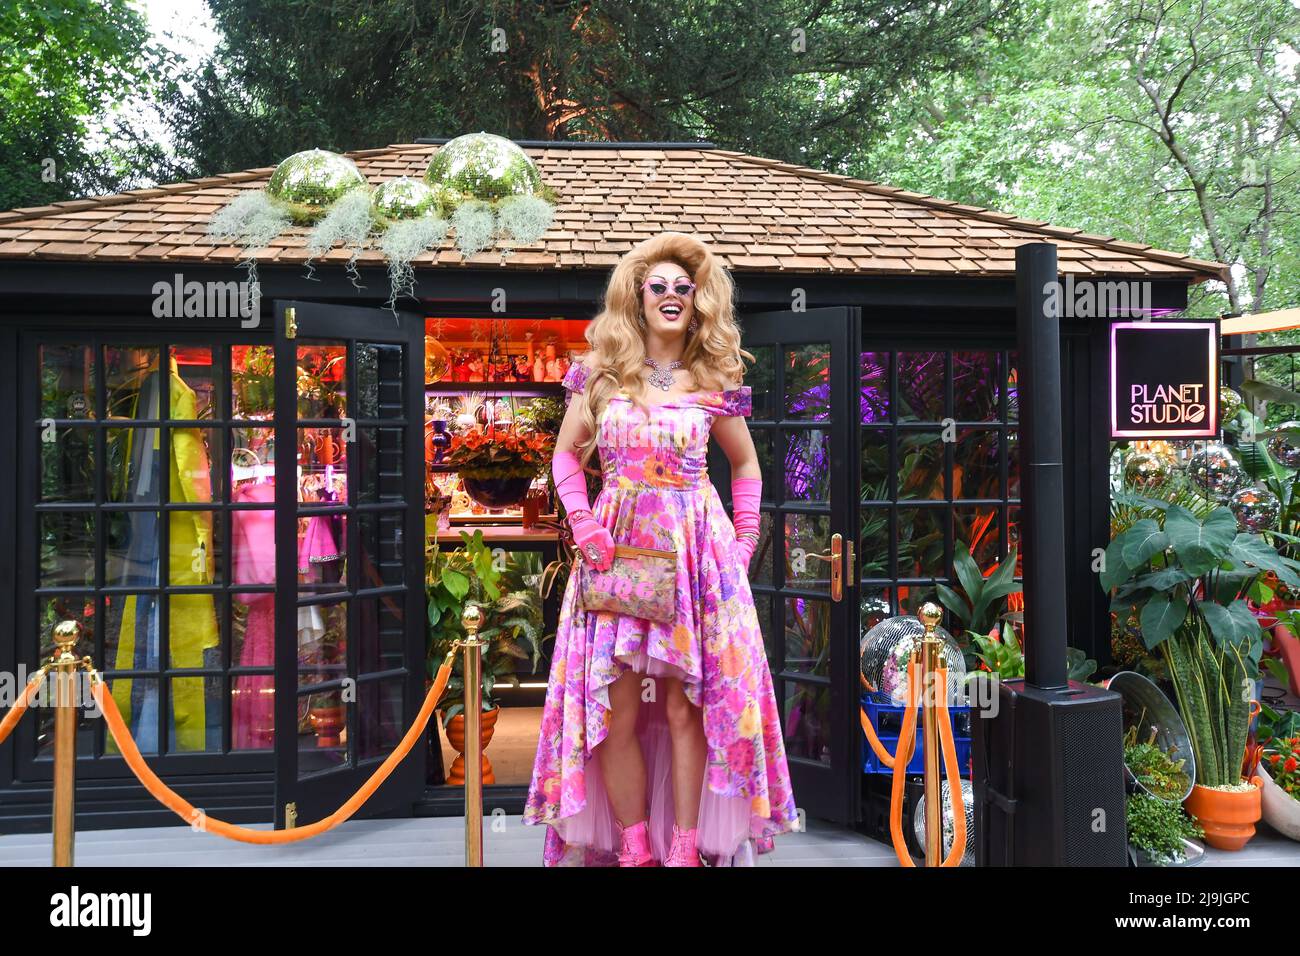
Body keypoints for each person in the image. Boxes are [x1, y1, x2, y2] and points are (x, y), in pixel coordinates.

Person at [523, 232, 798, 866]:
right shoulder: (600, 371)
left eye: (684, 287)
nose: (672, 296)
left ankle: (683, 848)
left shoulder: (714, 377)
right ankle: (634, 846)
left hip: (696, 551)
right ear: (637, 297)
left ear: (697, 300)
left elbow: (747, 465)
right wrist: (583, 521)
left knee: (686, 706)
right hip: (615, 549)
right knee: (615, 706)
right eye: (659, 287)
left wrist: (746, 537)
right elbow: (566, 454)